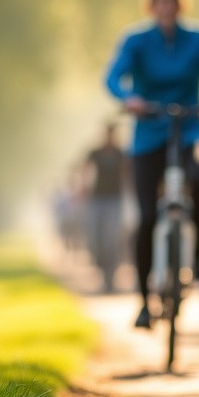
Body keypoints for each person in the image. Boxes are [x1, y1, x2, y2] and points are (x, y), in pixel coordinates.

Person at [106, 0, 199, 330]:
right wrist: (128, 98)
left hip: (191, 128)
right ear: (151, 6)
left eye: (172, 1)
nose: (166, 7)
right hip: (148, 134)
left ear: (180, 5)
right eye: (159, 1)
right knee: (148, 218)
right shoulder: (136, 41)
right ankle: (142, 302)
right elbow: (112, 78)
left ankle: (197, 251)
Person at [82, 122, 130, 293]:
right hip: (97, 200)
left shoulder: (120, 154)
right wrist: (83, 186)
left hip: (114, 201)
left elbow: (127, 174)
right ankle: (102, 272)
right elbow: (84, 169)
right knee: (96, 239)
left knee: (111, 239)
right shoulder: (95, 153)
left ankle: (110, 278)